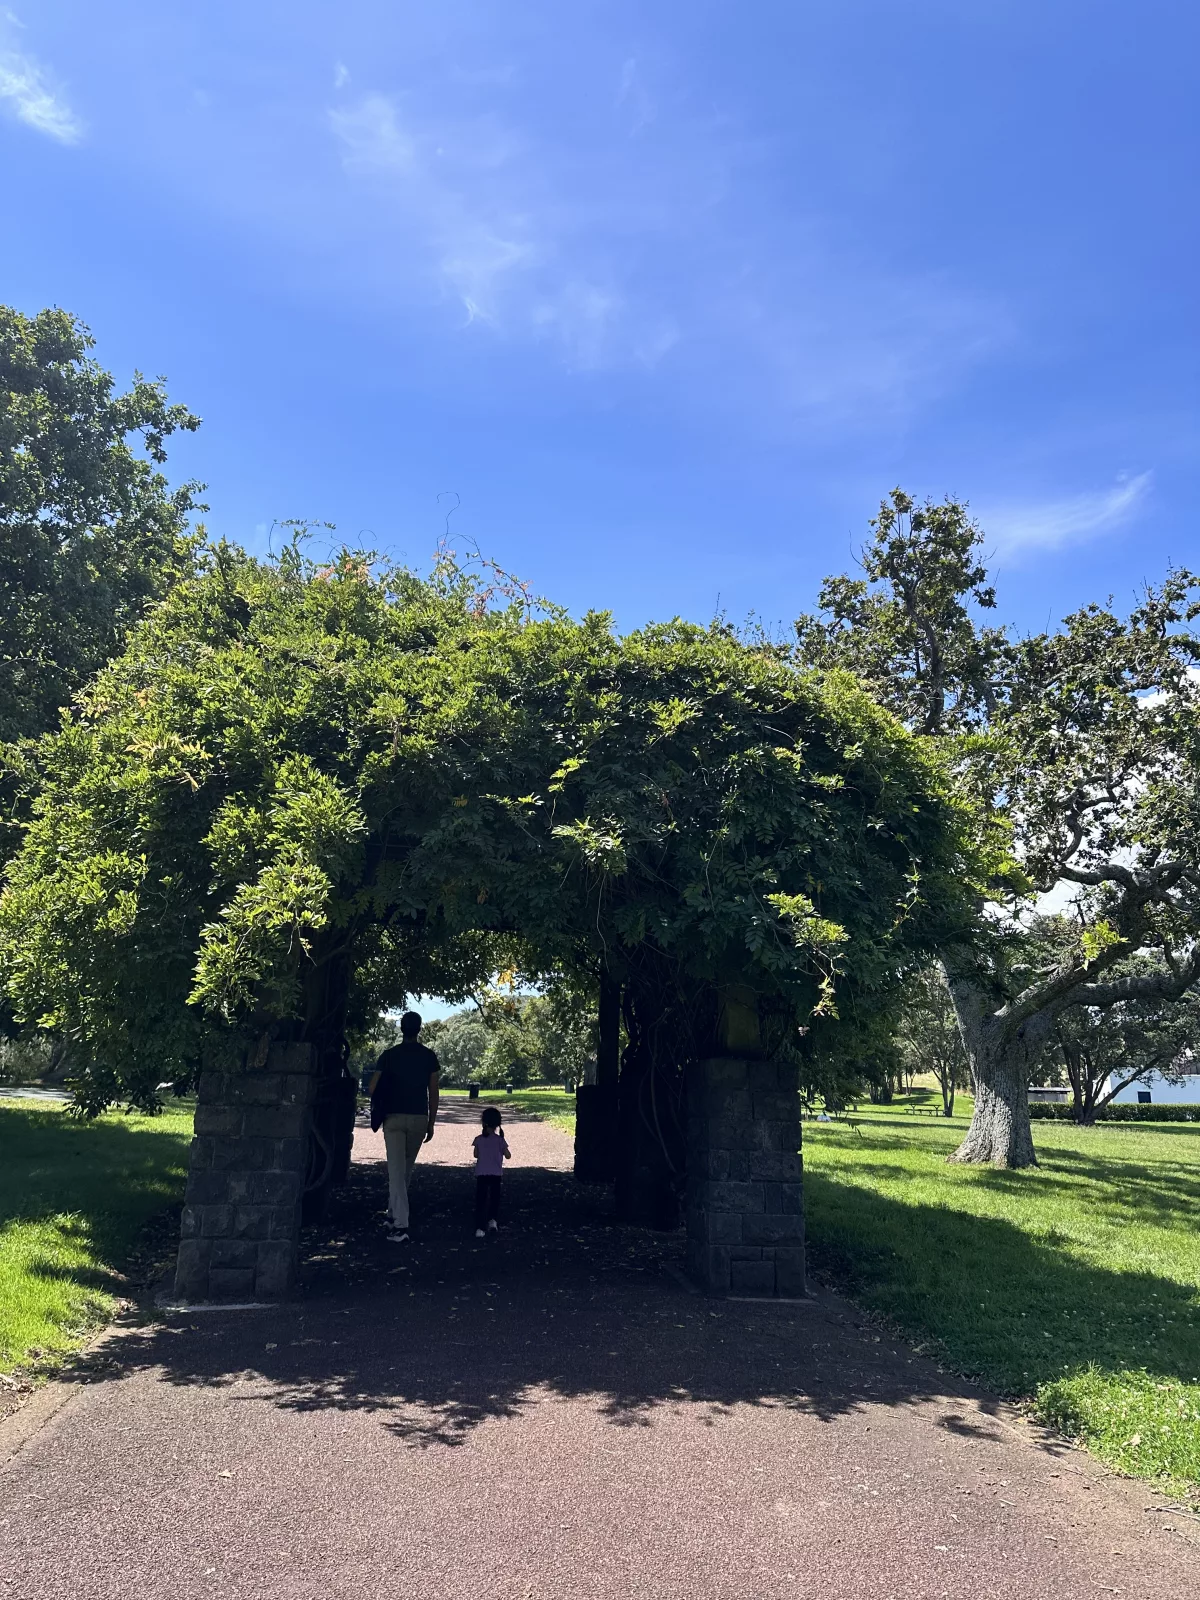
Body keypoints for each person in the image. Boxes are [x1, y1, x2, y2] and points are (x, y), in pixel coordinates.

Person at [367, 1011, 440, 1243]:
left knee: (397, 1172)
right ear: (419, 1029)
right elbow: (434, 1093)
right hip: (419, 1117)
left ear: (401, 1028)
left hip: (394, 1118)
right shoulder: (429, 1057)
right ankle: (392, 1215)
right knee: (404, 1170)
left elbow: (372, 1088)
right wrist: (431, 1122)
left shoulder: (388, 1056)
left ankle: (401, 1225)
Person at [472, 1106, 510, 1238]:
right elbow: (508, 1155)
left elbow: (476, 1155)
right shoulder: (500, 1140)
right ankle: (492, 1220)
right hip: (496, 1174)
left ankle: (479, 1227)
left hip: (482, 1173)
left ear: (483, 1123)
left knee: (481, 1200)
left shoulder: (478, 1139)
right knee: (494, 1198)